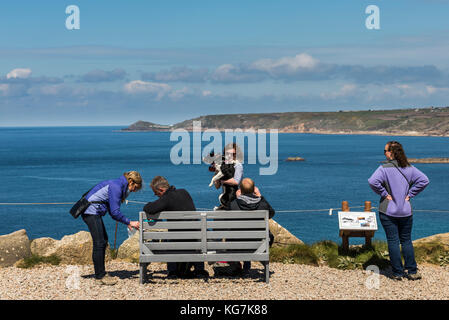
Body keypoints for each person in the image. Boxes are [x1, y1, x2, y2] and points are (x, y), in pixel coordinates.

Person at [368, 141, 429, 280]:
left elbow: (372, 181)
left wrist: (384, 193)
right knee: (406, 240)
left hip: (388, 210)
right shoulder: (410, 168)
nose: (384, 153)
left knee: (393, 241)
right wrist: (410, 194)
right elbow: (424, 180)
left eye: (385, 151)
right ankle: (412, 271)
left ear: (391, 153)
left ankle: (397, 273)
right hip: (406, 211)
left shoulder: (383, 169)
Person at [82, 171, 142, 285]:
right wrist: (129, 222)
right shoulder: (117, 187)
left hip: (93, 211)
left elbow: (110, 208)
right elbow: (115, 212)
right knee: (99, 242)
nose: (134, 191)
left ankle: (101, 273)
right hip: (90, 211)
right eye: (135, 188)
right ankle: (100, 276)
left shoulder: (117, 184)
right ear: (131, 182)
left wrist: (126, 223)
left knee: (103, 241)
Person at [143, 176, 209, 278]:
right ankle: (199, 270)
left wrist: (148, 204)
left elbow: (149, 209)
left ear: (161, 190)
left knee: (169, 240)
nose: (157, 196)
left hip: (176, 244)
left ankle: (173, 271)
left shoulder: (166, 199)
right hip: (196, 242)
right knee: (193, 236)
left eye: (156, 193)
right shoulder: (184, 192)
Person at [225, 178, 275, 273]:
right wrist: (260, 196)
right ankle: (247, 264)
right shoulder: (262, 204)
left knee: (237, 234)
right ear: (254, 189)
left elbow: (226, 221)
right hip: (257, 245)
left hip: (236, 245)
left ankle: (237, 265)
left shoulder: (233, 205)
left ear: (240, 190)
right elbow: (272, 213)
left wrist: (237, 198)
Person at [214, 143, 244, 210]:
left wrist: (222, 181)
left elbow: (236, 181)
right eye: (227, 154)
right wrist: (216, 173)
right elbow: (217, 186)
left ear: (236, 154)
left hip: (236, 199)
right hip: (226, 199)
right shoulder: (222, 165)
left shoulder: (237, 165)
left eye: (233, 154)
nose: (230, 156)